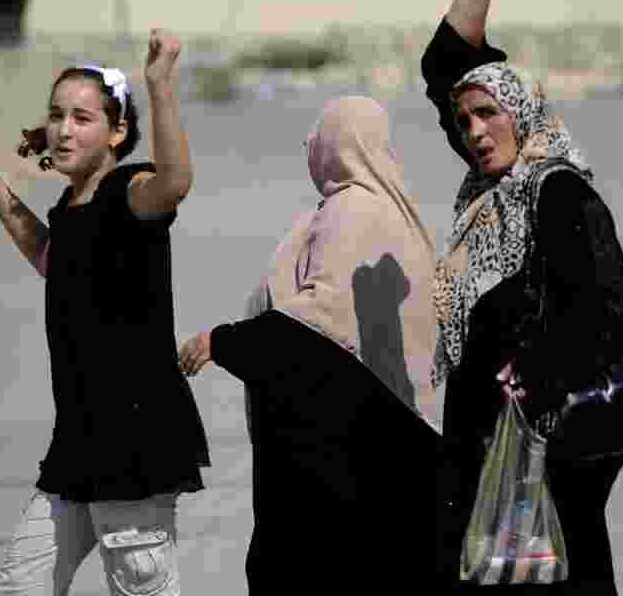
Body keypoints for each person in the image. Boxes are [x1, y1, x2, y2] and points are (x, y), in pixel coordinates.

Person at [0, 29, 210, 596]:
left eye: (82, 118)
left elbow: (175, 182)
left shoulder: (130, 192)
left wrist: (159, 82)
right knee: (21, 586)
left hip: (134, 447)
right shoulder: (72, 208)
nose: (64, 129)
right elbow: (49, 256)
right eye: (56, 116)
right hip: (77, 446)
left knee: (137, 585)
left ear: (116, 132)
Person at [423, 0, 623, 593]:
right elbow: (446, 71)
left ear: (520, 113)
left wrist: (536, 394)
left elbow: (608, 316)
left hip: (548, 453)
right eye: (465, 122)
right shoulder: (494, 190)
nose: (475, 133)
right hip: (490, 450)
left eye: (488, 115)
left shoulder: (557, 190)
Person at [178, 96, 441, 594]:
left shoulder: (352, 211)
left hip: (341, 453)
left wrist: (224, 341)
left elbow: (321, 318)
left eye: (318, 139)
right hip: (385, 440)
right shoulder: (392, 214)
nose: (309, 148)